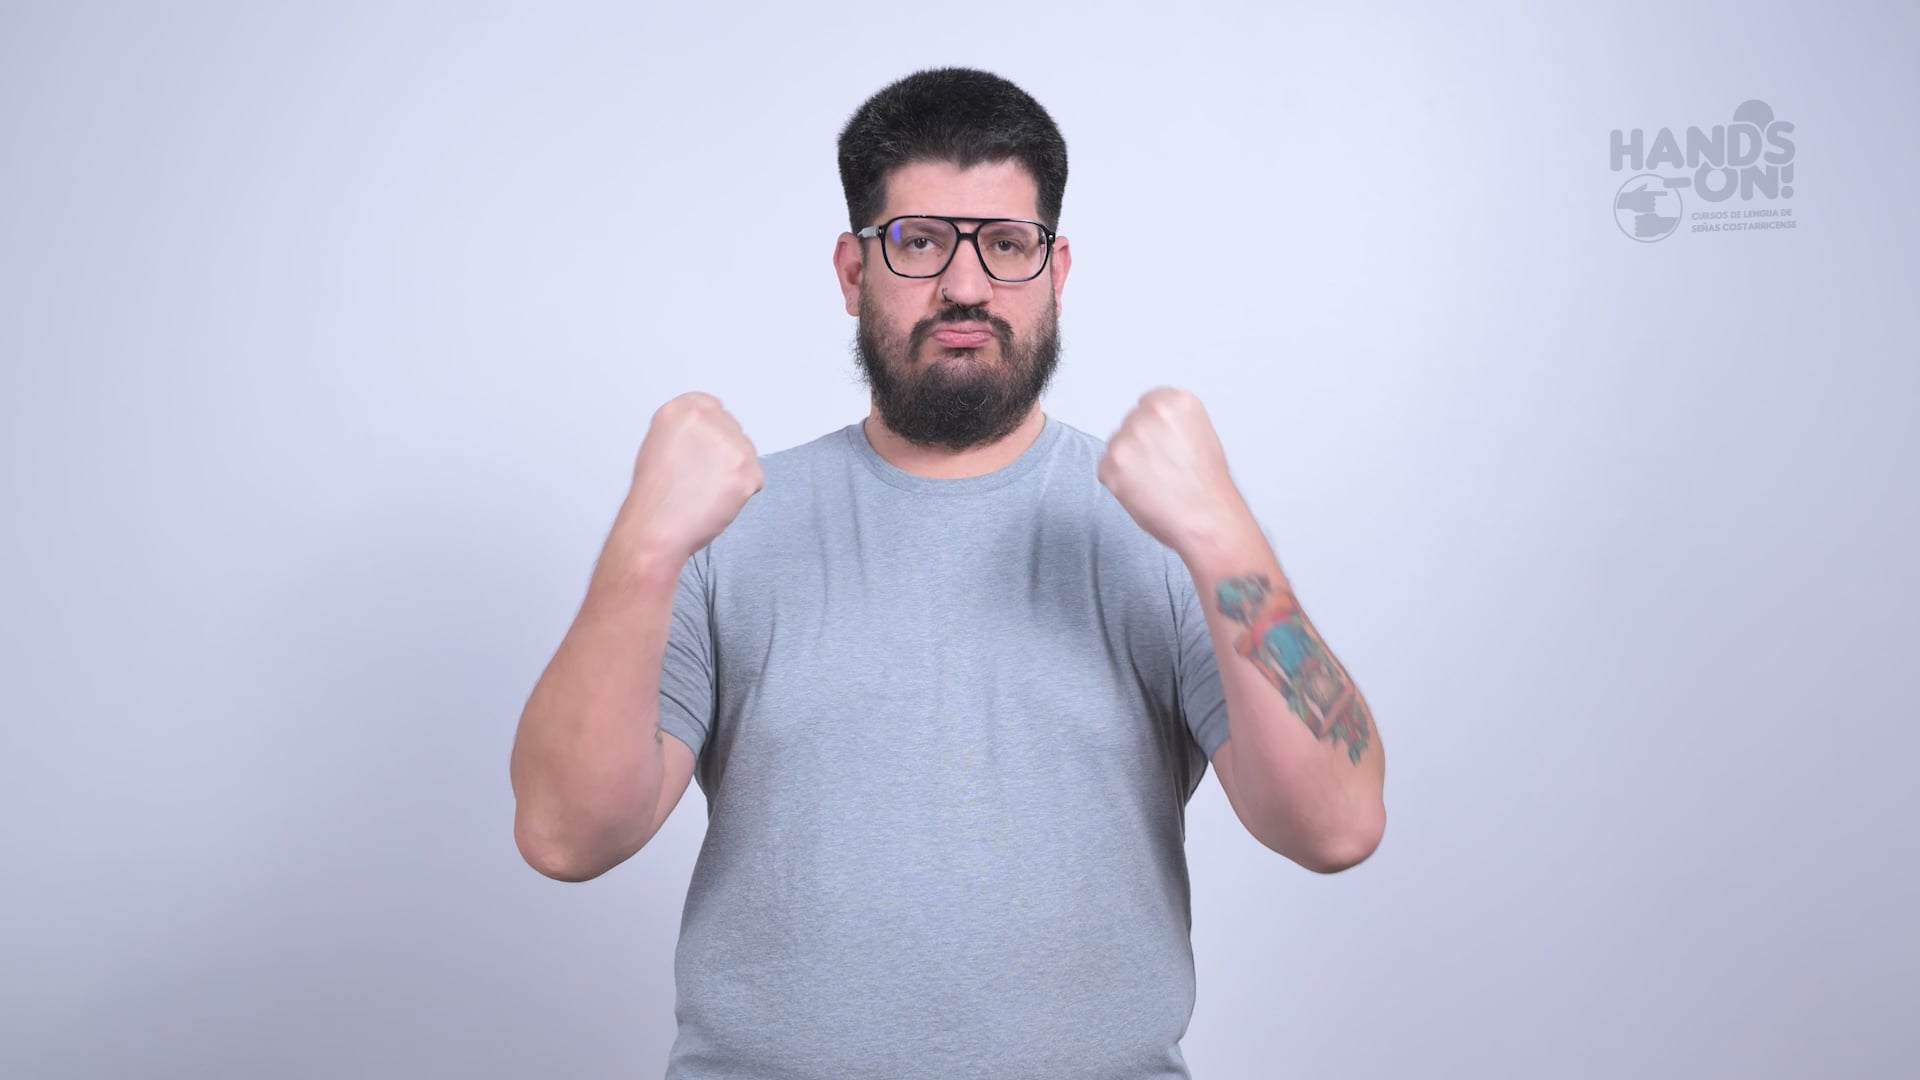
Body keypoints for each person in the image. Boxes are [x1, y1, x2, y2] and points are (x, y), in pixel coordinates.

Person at [509, 66, 1387, 1080]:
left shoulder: (1166, 532)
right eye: (920, 242)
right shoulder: (725, 524)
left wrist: (1226, 536)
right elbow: (567, 837)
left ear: (1056, 271)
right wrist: (643, 546)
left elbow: (1336, 825)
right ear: (853, 272)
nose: (965, 286)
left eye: (1006, 245)